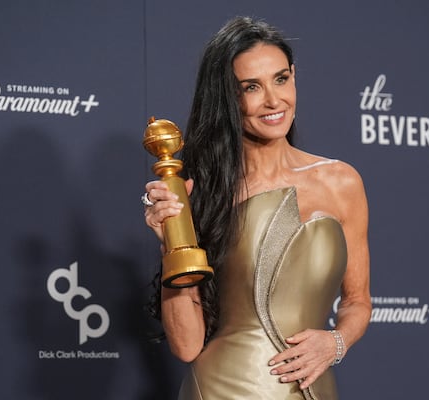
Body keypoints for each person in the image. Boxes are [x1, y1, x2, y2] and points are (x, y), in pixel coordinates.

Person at [143, 16, 371, 400]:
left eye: (281, 79)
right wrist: (170, 244)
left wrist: (334, 342)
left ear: (294, 76)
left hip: (313, 387)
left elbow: (358, 301)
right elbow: (186, 346)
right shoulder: (203, 195)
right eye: (251, 87)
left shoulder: (342, 181)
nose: (273, 101)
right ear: (228, 98)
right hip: (222, 388)